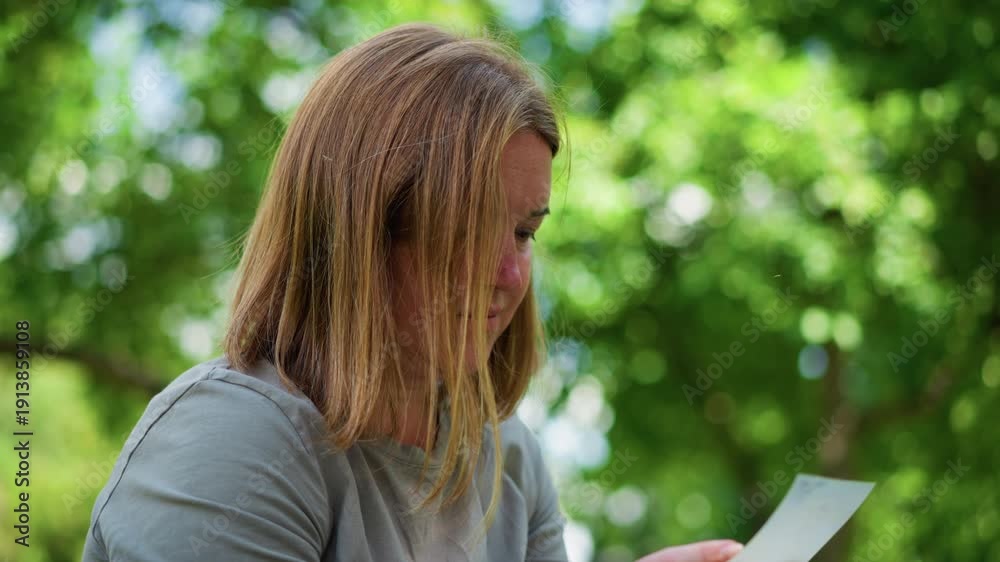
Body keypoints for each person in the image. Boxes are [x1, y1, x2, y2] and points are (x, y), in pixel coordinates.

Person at [82, 22, 744, 562]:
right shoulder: (232, 443)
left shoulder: (507, 458)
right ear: (358, 231)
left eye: (524, 233)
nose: (509, 276)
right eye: (467, 228)